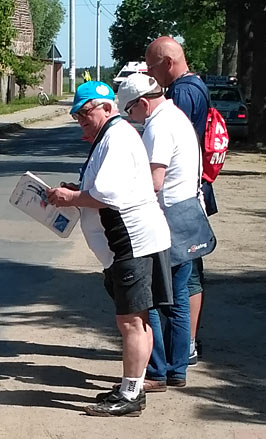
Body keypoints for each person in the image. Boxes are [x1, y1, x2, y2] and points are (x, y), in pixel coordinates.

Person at [46, 81, 173, 417]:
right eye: (77, 115)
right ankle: (132, 387)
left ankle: (131, 395)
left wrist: (71, 197)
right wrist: (79, 190)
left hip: (130, 243)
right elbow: (105, 188)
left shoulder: (116, 137)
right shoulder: (112, 136)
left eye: (87, 111)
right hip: (132, 243)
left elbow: (107, 196)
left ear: (107, 107)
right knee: (138, 320)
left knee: (130, 322)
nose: (81, 119)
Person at [118, 73, 201, 391]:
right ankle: (176, 369)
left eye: (129, 111)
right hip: (187, 214)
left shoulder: (157, 126)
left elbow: (153, 181)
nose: (131, 119)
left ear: (141, 103)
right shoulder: (176, 117)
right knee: (178, 298)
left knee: (146, 299)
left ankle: (155, 370)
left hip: (166, 219)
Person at [146, 36, 211, 366]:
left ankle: (183, 347)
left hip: (178, 198)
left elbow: (170, 146)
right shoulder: (195, 86)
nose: (150, 74)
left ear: (168, 63)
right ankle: (184, 347)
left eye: (152, 67)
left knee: (184, 281)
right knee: (187, 278)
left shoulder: (181, 95)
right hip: (190, 192)